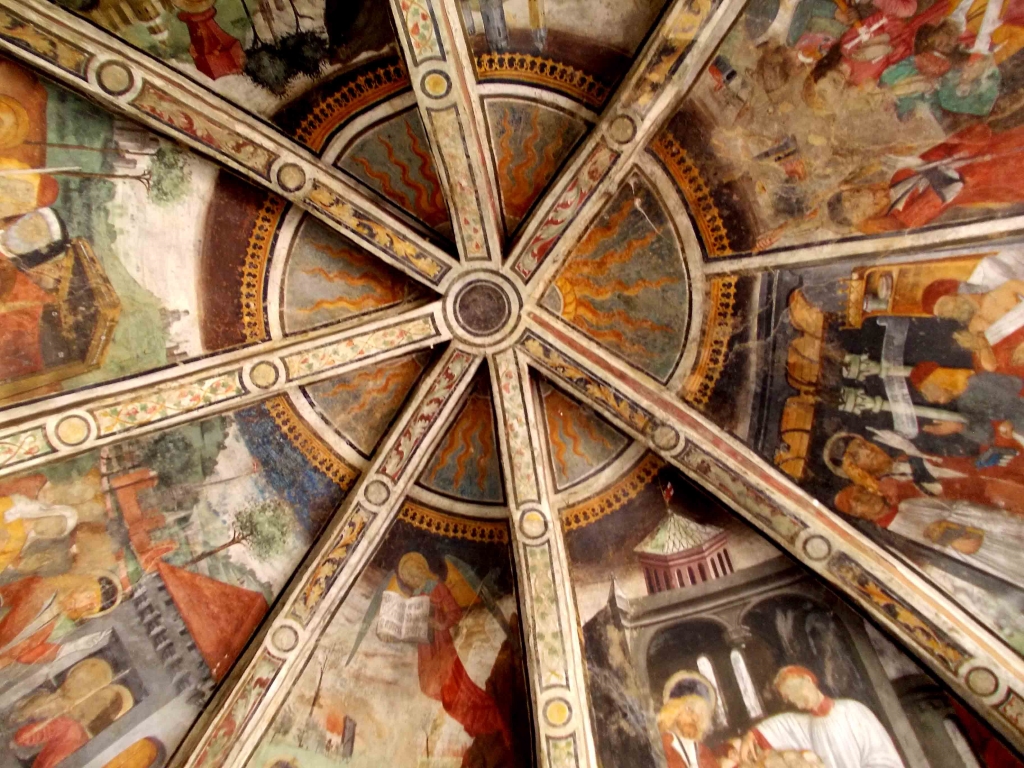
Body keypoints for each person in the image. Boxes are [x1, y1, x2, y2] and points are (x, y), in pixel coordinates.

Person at [827, 123, 1024, 234]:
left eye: (854, 194)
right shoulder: (907, 219)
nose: (862, 196)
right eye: (855, 206)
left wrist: (922, 162)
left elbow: (948, 147)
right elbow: (952, 185)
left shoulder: (899, 176)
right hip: (1000, 178)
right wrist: (921, 164)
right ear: (864, 220)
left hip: (1002, 144)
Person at [741, 666, 905, 768]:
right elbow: (780, 726)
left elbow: (882, 756)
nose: (797, 701)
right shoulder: (808, 725)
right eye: (791, 698)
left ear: (808, 680)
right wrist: (751, 735)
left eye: (796, 691)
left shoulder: (853, 711)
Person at [658, 671, 720, 768]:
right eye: (690, 710)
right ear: (673, 710)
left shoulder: (705, 753)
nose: (695, 718)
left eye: (700, 714)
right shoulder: (660, 746)